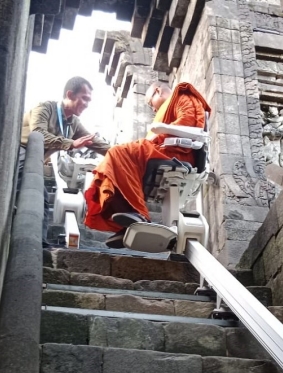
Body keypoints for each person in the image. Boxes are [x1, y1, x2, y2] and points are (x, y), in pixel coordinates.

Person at [83, 81, 211, 248]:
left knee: (117, 153)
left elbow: (188, 122)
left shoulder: (182, 96)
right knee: (114, 164)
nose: (154, 110)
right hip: (163, 149)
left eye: (152, 104)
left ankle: (136, 213)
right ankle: (128, 222)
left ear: (157, 91)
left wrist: (158, 135)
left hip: (177, 152)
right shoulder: (170, 104)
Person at [17, 76, 110, 248]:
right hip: (19, 154)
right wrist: (70, 143)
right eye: (84, 98)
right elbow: (37, 134)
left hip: (35, 163)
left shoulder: (72, 123)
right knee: (38, 195)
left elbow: (94, 142)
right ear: (70, 94)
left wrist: (121, 153)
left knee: (41, 198)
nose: (87, 104)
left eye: (89, 100)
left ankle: (41, 244)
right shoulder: (45, 108)